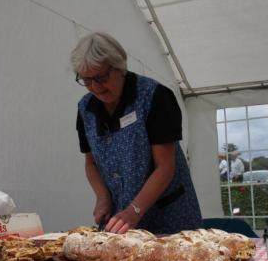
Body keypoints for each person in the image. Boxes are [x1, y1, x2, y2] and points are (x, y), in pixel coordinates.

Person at [72, 32, 202, 234]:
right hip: (122, 215)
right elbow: (90, 163)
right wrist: (103, 197)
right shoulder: (85, 109)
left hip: (168, 215)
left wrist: (134, 210)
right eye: (87, 80)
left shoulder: (154, 97)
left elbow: (165, 166)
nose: (95, 88)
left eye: (102, 77)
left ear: (119, 67)